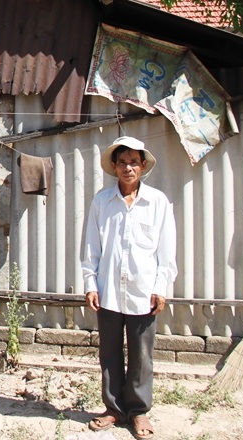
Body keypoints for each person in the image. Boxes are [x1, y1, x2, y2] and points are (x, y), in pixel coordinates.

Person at [81, 136, 177, 439]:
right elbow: (91, 247)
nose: (128, 168)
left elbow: (166, 252)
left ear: (143, 166)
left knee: (141, 355)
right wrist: (90, 283)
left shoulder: (157, 202)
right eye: (122, 162)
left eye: (134, 162)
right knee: (109, 353)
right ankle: (113, 409)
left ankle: (138, 411)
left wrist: (161, 287)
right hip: (108, 290)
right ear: (114, 166)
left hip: (143, 291)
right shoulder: (102, 202)